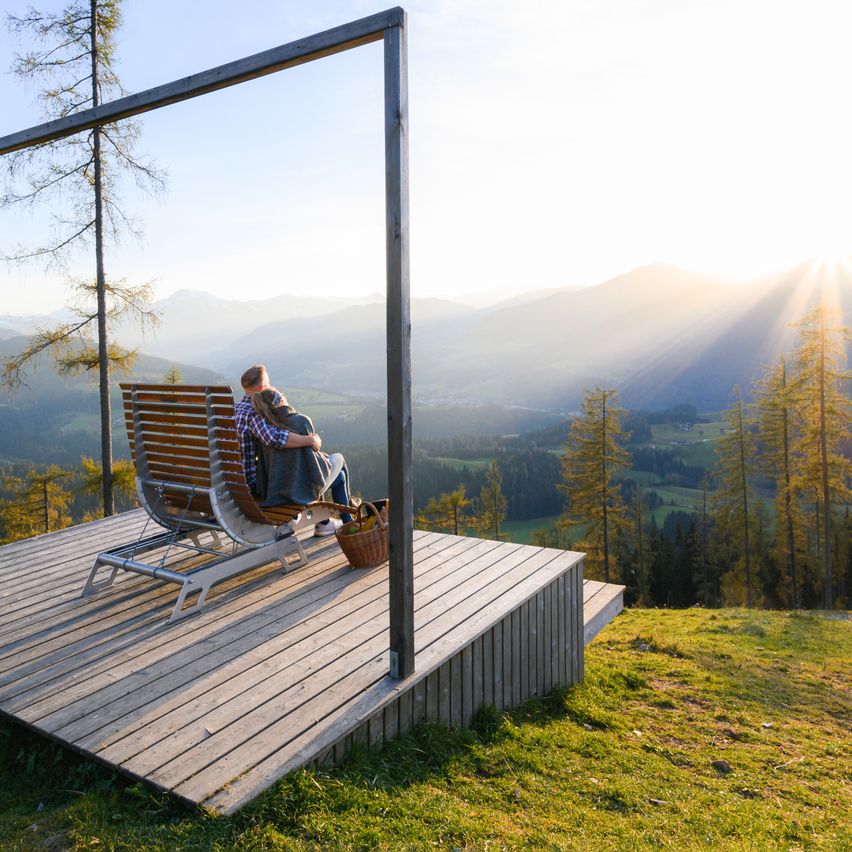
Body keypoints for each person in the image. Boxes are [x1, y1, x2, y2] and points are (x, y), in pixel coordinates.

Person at [235, 364, 353, 534]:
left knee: (338, 475)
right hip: (257, 486)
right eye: (268, 384)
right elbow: (275, 438)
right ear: (262, 388)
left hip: (234, 482)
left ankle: (329, 522)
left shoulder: (235, 408)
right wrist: (310, 440)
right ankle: (347, 523)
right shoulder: (255, 414)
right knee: (339, 461)